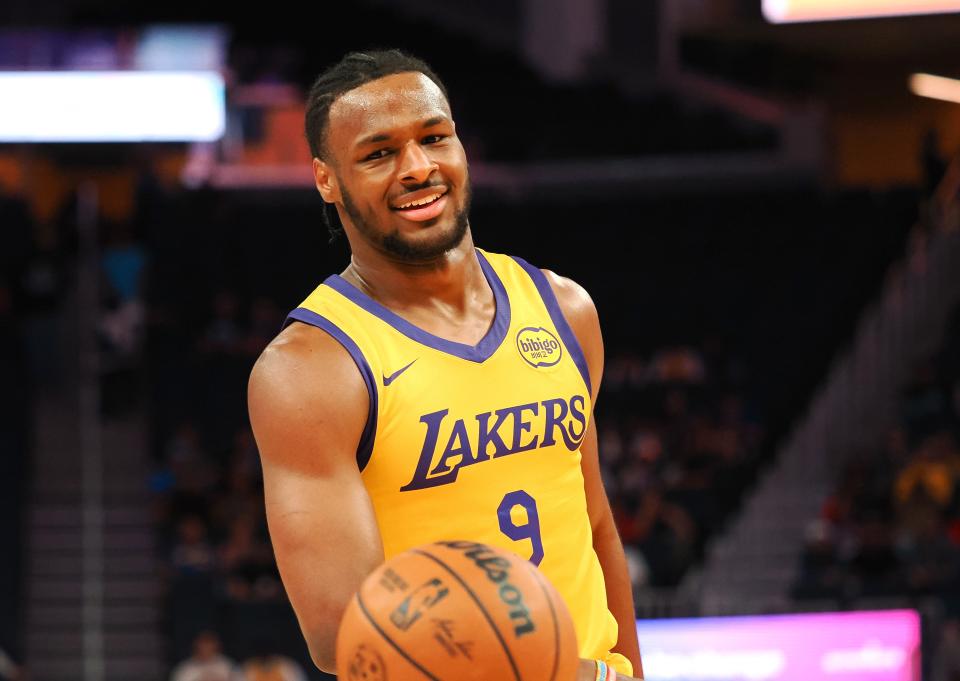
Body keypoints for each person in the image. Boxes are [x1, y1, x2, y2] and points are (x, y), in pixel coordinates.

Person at [247, 48, 643, 681]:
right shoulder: (310, 369)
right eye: (379, 154)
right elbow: (340, 629)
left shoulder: (565, 309)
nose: (417, 168)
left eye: (435, 138)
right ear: (326, 179)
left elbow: (597, 527)